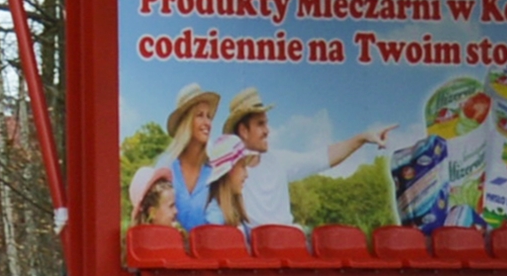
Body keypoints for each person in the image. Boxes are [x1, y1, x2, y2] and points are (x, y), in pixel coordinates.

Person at [213, 89, 394, 230]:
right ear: (244, 131)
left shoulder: (278, 161)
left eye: (266, 123)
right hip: (258, 256)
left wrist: (362, 138)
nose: (267, 130)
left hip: (289, 247)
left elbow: (322, 158)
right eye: (260, 124)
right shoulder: (230, 173)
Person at [161, 85, 237, 230]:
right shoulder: (166, 166)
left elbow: (219, 221)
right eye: (200, 115)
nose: (207, 123)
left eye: (209, 116)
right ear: (186, 122)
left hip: (206, 249)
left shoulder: (214, 172)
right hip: (169, 250)